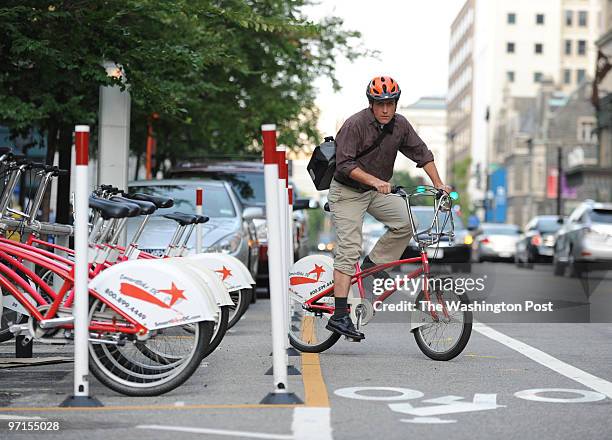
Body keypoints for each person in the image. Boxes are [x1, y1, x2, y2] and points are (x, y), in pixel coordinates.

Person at [326, 75, 451, 340]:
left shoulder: (400, 125)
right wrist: (375, 181)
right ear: (371, 103)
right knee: (349, 250)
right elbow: (344, 164)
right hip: (347, 192)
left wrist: (439, 184)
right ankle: (339, 315)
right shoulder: (355, 124)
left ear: (396, 104)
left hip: (375, 191)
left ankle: (374, 265)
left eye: (390, 103)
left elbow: (422, 154)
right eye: (380, 103)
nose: (385, 109)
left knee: (407, 223)